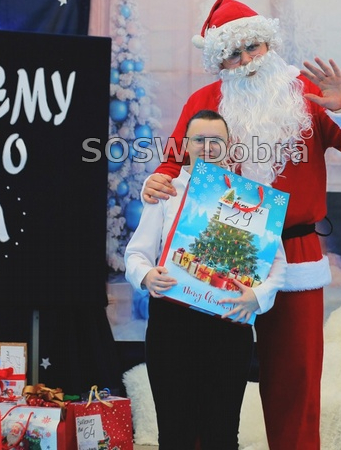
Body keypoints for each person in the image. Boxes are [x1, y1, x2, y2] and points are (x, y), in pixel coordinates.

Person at [142, 0, 341, 449]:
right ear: (220, 62)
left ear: (268, 44)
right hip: (220, 248)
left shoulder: (308, 94)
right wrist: (157, 181)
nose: (247, 60)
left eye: (252, 47)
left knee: (296, 376)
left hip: (295, 251)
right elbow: (174, 162)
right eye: (233, 54)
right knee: (209, 369)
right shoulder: (205, 101)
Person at [125, 109, 286, 450]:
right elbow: (136, 254)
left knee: (222, 434)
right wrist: (146, 275)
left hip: (230, 326)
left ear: (229, 146)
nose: (208, 147)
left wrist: (257, 298)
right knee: (174, 433)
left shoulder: (252, 196)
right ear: (185, 144)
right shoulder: (165, 192)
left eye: (216, 140)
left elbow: (278, 267)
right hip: (171, 325)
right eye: (199, 139)